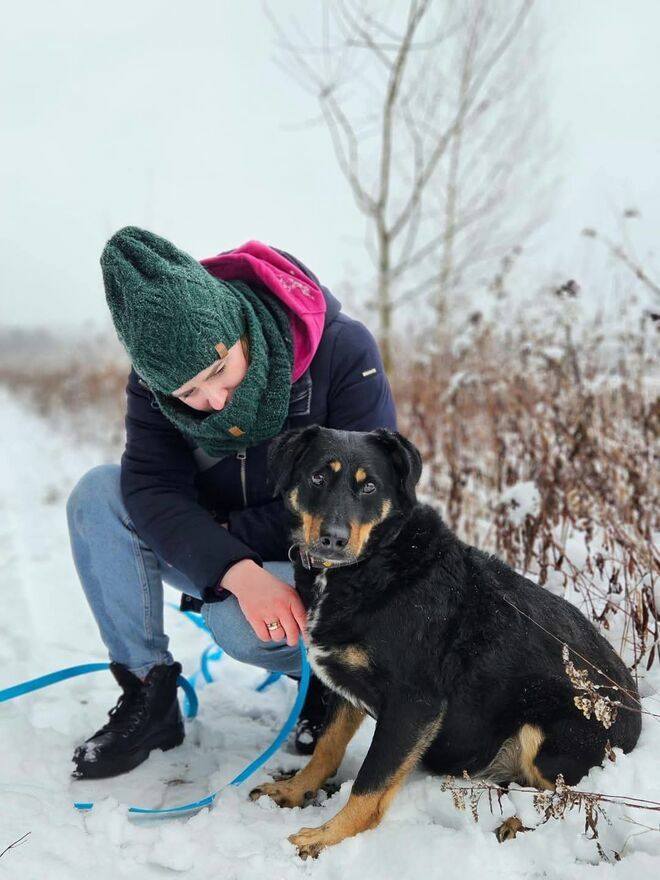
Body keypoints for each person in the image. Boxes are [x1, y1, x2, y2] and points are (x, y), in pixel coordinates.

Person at [67, 227, 397, 779]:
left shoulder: (341, 349)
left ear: (239, 326)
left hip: (324, 557)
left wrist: (224, 540)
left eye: (219, 371)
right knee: (99, 493)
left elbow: (364, 494)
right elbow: (152, 487)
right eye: (188, 394)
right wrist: (234, 569)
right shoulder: (157, 377)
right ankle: (148, 693)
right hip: (220, 545)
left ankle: (328, 680)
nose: (214, 400)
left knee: (239, 625)